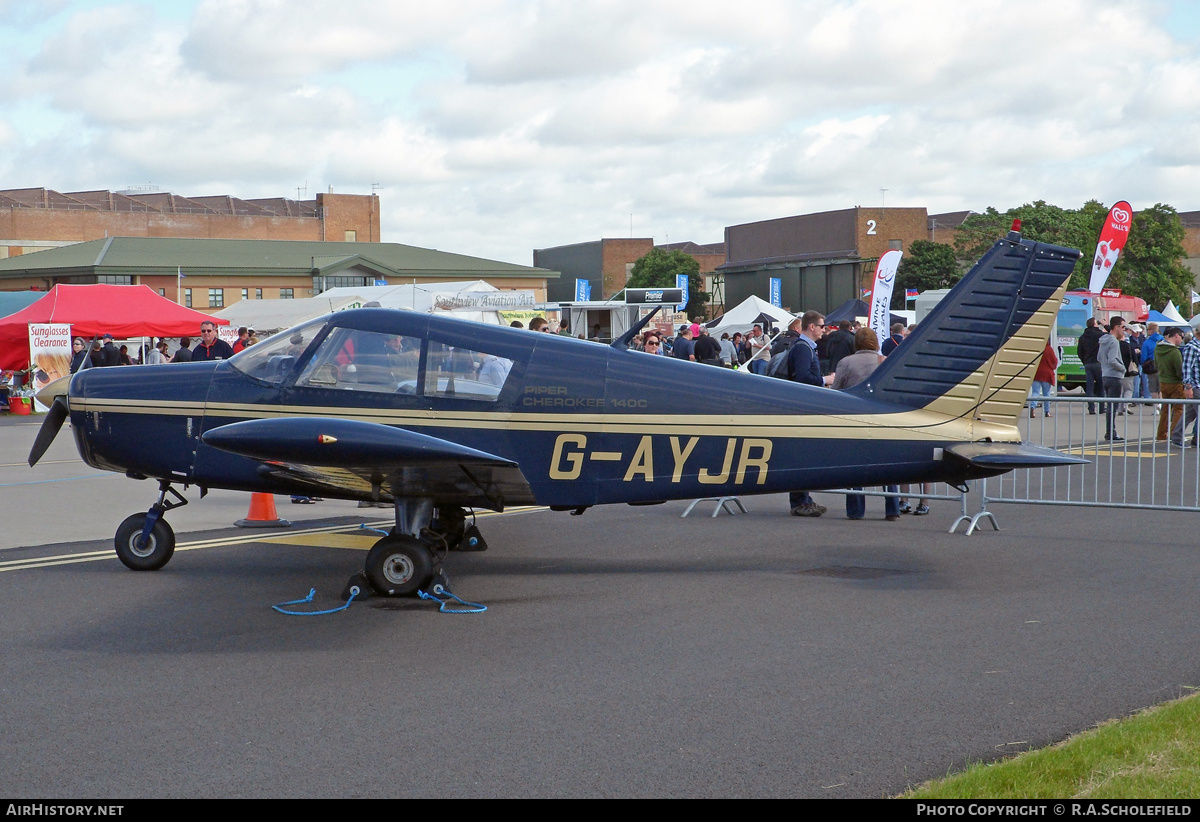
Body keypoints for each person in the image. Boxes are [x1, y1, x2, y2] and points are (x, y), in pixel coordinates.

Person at [832, 328, 901, 520]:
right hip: (882, 418)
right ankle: (892, 508)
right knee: (888, 466)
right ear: (875, 342)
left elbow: (836, 390)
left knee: (854, 466)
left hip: (854, 419)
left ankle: (855, 509)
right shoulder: (886, 361)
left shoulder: (845, 362)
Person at [788, 311, 829, 517]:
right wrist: (824, 380)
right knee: (800, 455)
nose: (824, 329)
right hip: (801, 407)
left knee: (800, 455)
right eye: (822, 326)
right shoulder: (803, 348)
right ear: (811, 326)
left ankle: (804, 499)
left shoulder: (804, 347)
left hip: (801, 407)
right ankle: (800, 501)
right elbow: (803, 377)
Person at [1098, 316, 1126, 441]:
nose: (1124, 330)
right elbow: (1112, 359)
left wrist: (1105, 366)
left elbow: (1099, 357)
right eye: (1123, 327)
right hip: (1114, 376)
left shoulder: (1103, 340)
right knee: (1112, 406)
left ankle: (1109, 431)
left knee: (1110, 405)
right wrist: (1123, 368)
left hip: (1105, 375)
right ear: (1116, 327)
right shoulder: (1114, 341)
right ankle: (1111, 432)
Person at [1155, 327, 1186, 442]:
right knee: (1179, 409)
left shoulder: (1158, 349)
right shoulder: (1175, 352)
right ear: (1176, 336)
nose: (1181, 340)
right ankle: (1175, 434)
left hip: (1163, 381)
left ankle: (1161, 434)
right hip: (1175, 383)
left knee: (1165, 409)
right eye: (1181, 337)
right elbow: (1179, 371)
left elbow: (1156, 364)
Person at [1175, 331, 1200, 447]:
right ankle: (1196, 438)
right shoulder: (1192, 347)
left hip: (1197, 385)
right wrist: (1188, 386)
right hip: (1195, 386)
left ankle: (1176, 436)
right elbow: (1186, 368)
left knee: (1189, 414)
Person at [1078, 318, 1103, 414]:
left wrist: (1085, 361)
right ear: (1094, 325)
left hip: (1088, 364)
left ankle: (1091, 408)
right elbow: (1110, 334)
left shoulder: (1083, 337)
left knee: (1090, 387)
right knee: (1101, 386)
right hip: (1098, 364)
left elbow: (1079, 352)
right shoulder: (1099, 335)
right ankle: (1101, 408)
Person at [1030, 343, 1057, 417]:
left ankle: (1032, 407)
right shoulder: (1048, 349)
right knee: (1046, 393)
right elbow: (1054, 361)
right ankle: (1047, 412)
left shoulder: (1035, 348)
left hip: (1036, 373)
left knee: (1035, 392)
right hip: (1046, 374)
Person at [1141, 322, 1162, 408]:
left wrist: (1143, 364)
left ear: (1151, 330)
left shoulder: (1147, 342)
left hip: (1151, 367)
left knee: (1153, 388)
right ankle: (1161, 404)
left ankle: (1156, 406)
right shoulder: (1162, 340)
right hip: (1162, 366)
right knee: (1161, 387)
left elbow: (1143, 357)